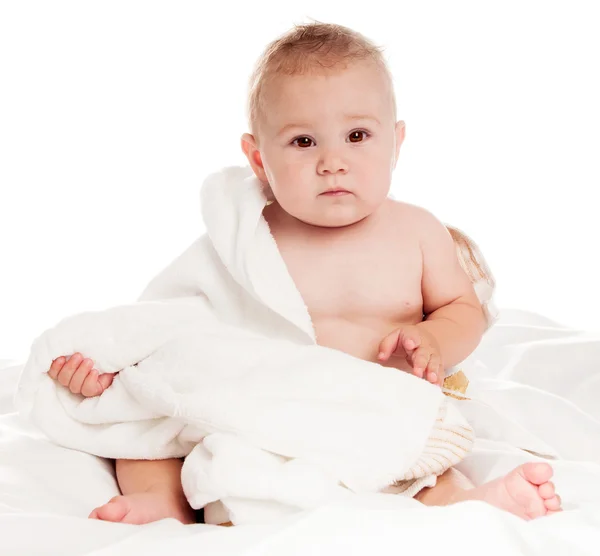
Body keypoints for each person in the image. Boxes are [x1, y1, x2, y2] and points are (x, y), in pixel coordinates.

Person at [46, 21, 561, 525]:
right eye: (303, 142)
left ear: (396, 142)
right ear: (258, 159)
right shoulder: (244, 241)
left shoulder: (417, 233)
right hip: (255, 409)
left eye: (357, 135)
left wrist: (433, 338)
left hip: (369, 409)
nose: (332, 161)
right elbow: (165, 325)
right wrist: (110, 370)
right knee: (143, 429)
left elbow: (462, 309)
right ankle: (166, 503)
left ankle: (460, 505)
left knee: (424, 461)